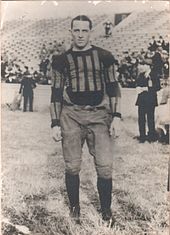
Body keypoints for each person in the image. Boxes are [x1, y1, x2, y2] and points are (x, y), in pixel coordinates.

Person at [50, 15, 121, 223]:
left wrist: (116, 116)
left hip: (100, 114)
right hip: (71, 114)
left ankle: (106, 211)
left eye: (84, 30)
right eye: (76, 30)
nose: (80, 35)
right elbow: (55, 92)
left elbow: (113, 87)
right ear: (71, 31)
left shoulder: (105, 56)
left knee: (105, 167)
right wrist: (54, 122)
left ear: (91, 32)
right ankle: (75, 208)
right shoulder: (61, 60)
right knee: (72, 165)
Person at [135, 60, 160, 143]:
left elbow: (158, 87)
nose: (142, 67)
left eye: (144, 65)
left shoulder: (154, 75)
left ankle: (151, 136)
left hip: (150, 100)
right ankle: (142, 136)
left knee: (150, 118)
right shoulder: (141, 75)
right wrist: (138, 87)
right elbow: (137, 84)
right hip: (141, 100)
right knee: (141, 118)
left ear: (149, 66)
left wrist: (147, 89)